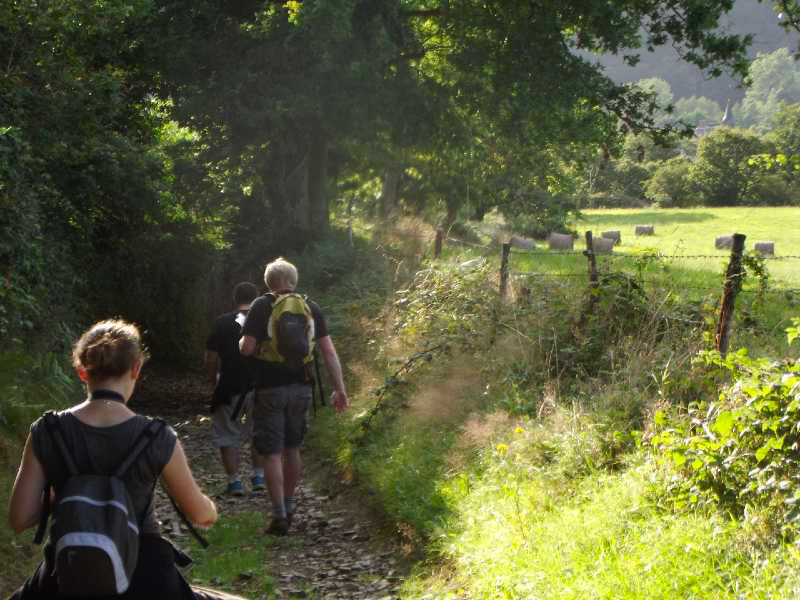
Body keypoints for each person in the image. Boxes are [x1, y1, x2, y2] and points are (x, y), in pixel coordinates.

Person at [7, 319, 242, 600]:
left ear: (82, 372)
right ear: (136, 369)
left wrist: (64, 495)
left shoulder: (47, 430)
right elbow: (200, 515)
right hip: (148, 577)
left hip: (65, 574)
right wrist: (211, 508)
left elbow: (19, 519)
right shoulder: (156, 436)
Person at [239, 258, 349, 536]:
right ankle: (289, 504)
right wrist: (339, 389)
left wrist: (241, 340)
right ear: (294, 280)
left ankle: (279, 514)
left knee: (272, 452)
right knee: (292, 448)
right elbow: (329, 353)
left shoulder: (261, 306)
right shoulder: (311, 308)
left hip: (269, 388)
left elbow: (248, 349)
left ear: (268, 281)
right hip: (302, 387)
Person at [205, 281, 265, 495]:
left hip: (229, 386)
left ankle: (234, 482)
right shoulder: (265, 321)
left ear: (234, 298)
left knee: (227, 434)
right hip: (261, 386)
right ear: (257, 298)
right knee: (258, 432)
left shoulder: (221, 323)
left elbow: (210, 357)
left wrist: (213, 382)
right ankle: (258, 477)